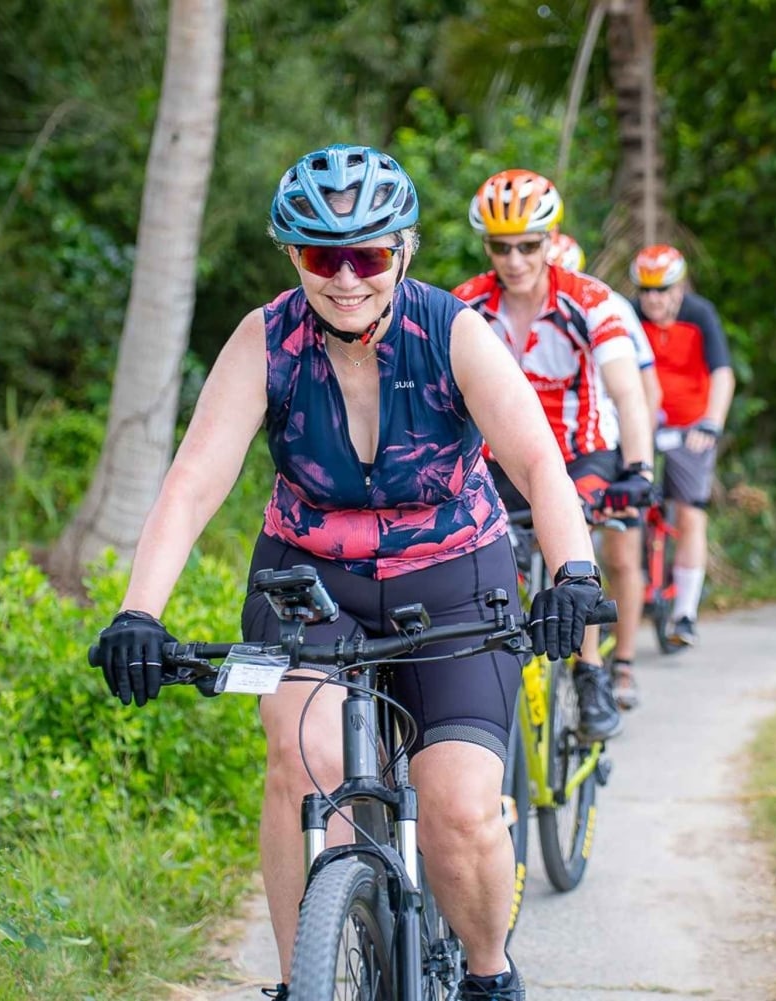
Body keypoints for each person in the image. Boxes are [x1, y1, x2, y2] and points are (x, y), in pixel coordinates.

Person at [92, 145, 610, 1001]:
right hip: (308, 585)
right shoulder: (267, 339)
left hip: (453, 576)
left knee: (460, 805)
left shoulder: (451, 331)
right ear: (292, 255)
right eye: (318, 255)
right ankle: (306, 983)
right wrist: (138, 613)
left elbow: (539, 464)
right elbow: (191, 484)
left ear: (401, 250)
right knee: (304, 764)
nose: (343, 279)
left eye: (365, 255)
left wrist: (573, 574)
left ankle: (488, 974)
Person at [453, 170, 655, 739]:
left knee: (571, 549)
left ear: (550, 238)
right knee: (488, 559)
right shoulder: (466, 303)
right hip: (500, 460)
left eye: (528, 245)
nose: (514, 260)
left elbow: (627, 392)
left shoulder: (590, 300)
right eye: (500, 246)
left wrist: (638, 469)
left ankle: (591, 673)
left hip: (580, 456)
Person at [545, 231, 660, 710]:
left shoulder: (606, 305)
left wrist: (640, 462)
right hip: (550, 451)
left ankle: (624, 663)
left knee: (619, 556)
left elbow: (644, 390)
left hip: (606, 445)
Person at [629, 244, 735, 651]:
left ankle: (685, 613)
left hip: (692, 427)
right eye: (646, 290)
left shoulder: (700, 314)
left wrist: (712, 422)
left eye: (662, 289)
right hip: (643, 423)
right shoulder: (631, 318)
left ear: (679, 287)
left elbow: (722, 373)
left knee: (690, 512)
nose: (653, 298)